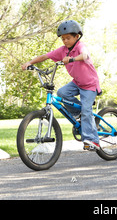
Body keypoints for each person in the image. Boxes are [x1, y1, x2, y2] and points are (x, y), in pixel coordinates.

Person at [21, 20, 102, 151]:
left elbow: (85, 55)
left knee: (87, 110)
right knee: (62, 93)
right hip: (77, 82)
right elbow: (45, 56)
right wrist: (29, 62)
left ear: (77, 36)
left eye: (68, 38)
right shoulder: (63, 50)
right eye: (63, 39)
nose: (65, 41)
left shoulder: (80, 46)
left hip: (89, 84)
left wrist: (72, 59)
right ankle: (80, 114)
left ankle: (93, 140)